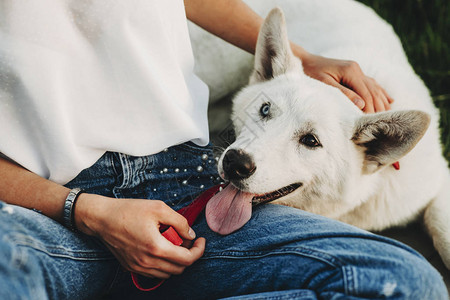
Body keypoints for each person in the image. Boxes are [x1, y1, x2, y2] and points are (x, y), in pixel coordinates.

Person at [0, 0, 446, 299]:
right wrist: (86, 210)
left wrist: (302, 57)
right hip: (47, 204)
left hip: (186, 180)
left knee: (409, 284)